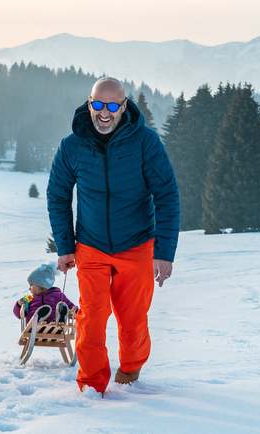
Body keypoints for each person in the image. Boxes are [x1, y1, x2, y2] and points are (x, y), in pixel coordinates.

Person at [47, 77, 180, 395]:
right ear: (89, 104)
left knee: (132, 318)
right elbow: (58, 195)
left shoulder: (144, 142)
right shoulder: (72, 145)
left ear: (123, 107)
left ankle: (131, 369)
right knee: (91, 317)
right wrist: (66, 247)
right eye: (98, 105)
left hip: (137, 245)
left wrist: (164, 251)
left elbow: (167, 194)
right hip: (91, 246)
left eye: (111, 106)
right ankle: (92, 384)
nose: (103, 113)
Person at [12, 263, 77, 323]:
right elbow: (19, 315)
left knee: (61, 306)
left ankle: (60, 319)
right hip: (33, 328)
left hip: (54, 327)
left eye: (31, 285)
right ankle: (38, 318)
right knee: (35, 317)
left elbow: (70, 306)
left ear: (40, 285)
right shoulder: (29, 297)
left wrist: (75, 310)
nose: (29, 288)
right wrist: (19, 304)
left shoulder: (58, 295)